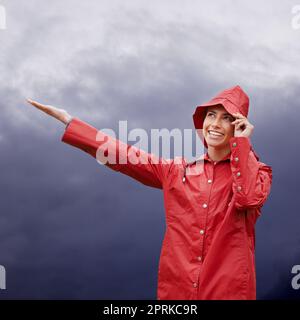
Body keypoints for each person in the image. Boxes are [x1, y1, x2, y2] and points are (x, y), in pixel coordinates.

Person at [26, 85, 273, 300]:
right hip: (178, 290)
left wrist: (242, 144)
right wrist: (71, 122)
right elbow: (124, 155)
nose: (216, 124)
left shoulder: (258, 173)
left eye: (227, 118)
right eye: (211, 115)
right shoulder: (177, 171)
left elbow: (247, 197)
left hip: (227, 291)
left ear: (239, 126)